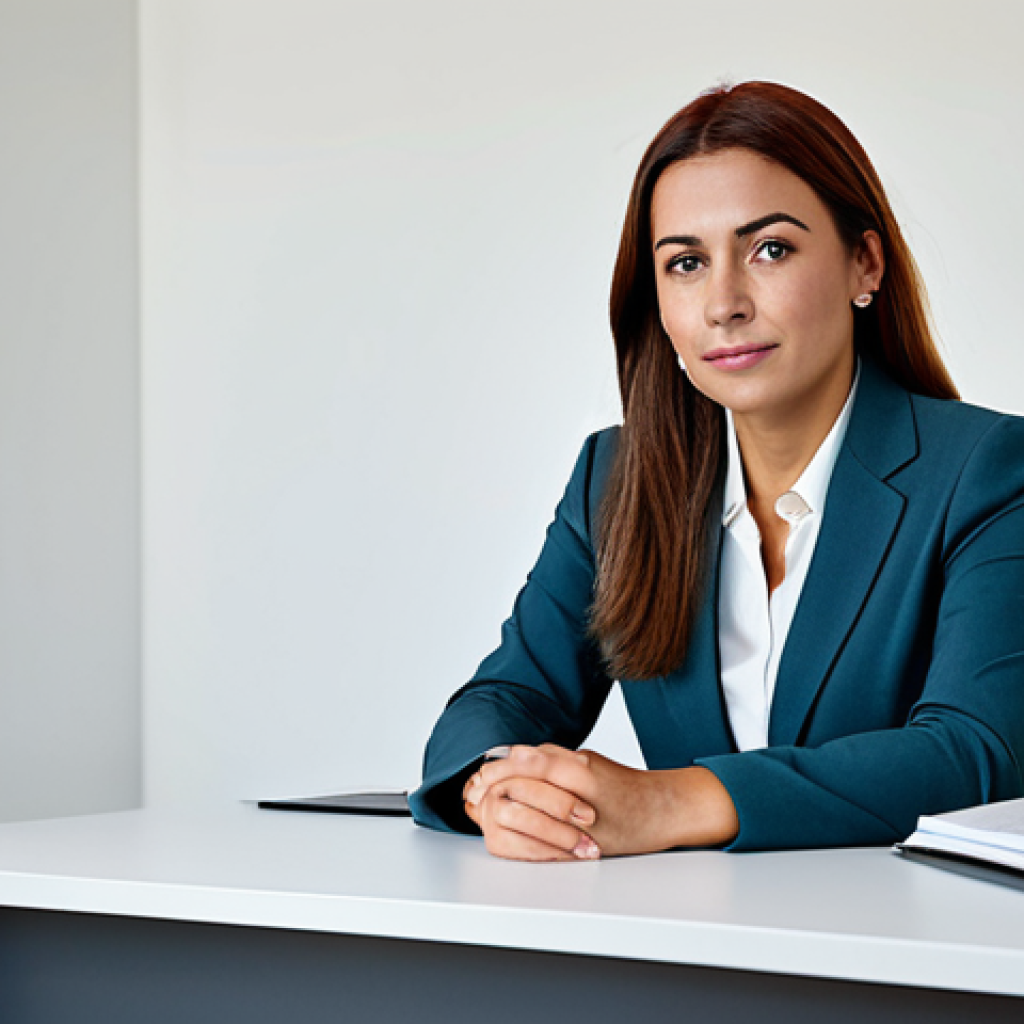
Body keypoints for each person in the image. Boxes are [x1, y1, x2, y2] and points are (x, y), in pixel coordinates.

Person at [408, 81, 1024, 861]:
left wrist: (667, 801)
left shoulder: (988, 472)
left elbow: (976, 755)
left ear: (863, 264)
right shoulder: (615, 477)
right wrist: (499, 787)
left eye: (770, 249)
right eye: (687, 263)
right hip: (695, 947)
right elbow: (509, 699)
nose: (723, 303)